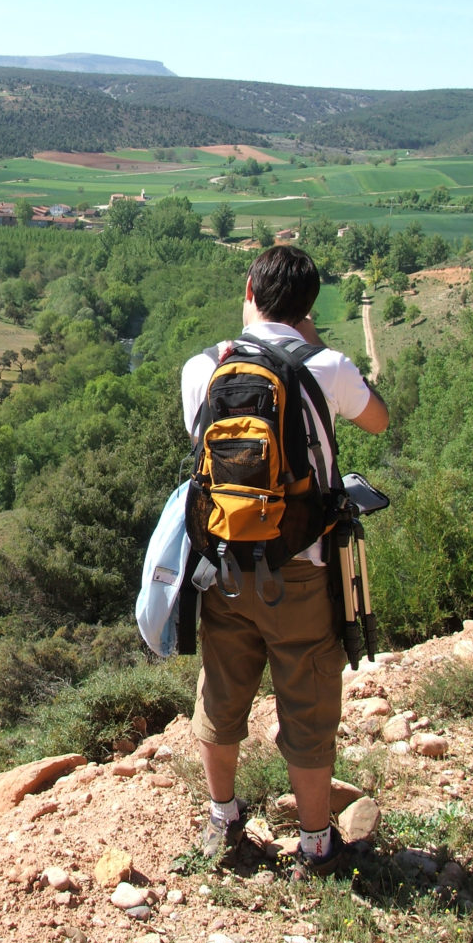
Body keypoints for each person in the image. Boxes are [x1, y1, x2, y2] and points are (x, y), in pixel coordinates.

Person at [180, 245, 389, 878]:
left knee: (221, 697)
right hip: (305, 566)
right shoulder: (326, 365)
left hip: (223, 565)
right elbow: (377, 421)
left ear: (249, 288)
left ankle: (223, 819)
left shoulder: (203, 367)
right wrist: (314, 345)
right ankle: (318, 843)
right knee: (308, 703)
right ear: (309, 308)